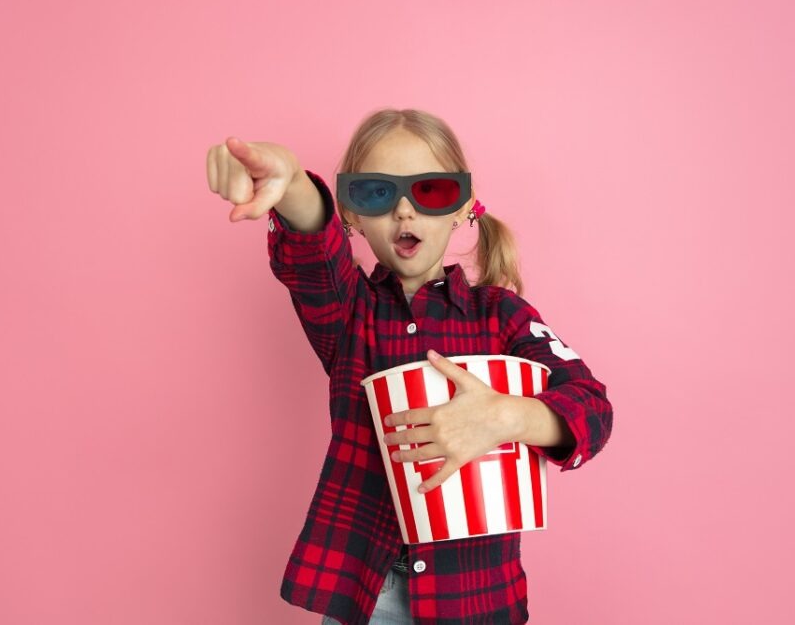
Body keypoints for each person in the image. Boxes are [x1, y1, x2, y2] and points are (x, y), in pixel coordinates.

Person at [205, 108, 613, 624]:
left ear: (462, 207)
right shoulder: (350, 311)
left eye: (432, 191)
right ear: (350, 213)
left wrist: (506, 417)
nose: (404, 211)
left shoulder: (503, 316)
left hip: (476, 597)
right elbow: (311, 253)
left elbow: (592, 408)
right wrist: (288, 185)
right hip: (367, 593)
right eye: (376, 192)